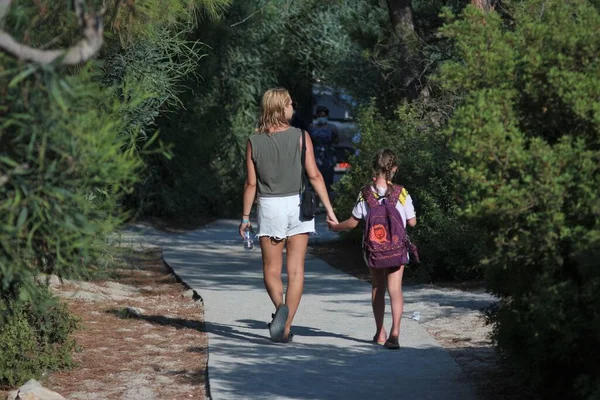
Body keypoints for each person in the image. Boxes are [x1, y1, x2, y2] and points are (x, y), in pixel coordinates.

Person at [239, 88, 338, 343]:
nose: (293, 108)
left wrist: (245, 217)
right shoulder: (301, 137)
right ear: (281, 107)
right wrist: (329, 209)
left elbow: (251, 184)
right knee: (296, 272)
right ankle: (285, 327)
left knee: (271, 271)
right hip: (298, 207)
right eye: (290, 104)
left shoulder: (254, 141)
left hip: (270, 207)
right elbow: (315, 175)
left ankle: (279, 305)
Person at [327, 149, 417, 350]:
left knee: (378, 288)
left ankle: (380, 332)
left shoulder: (365, 193)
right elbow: (411, 222)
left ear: (374, 168)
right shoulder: (401, 193)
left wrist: (335, 226)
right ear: (394, 169)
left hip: (374, 250)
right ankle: (395, 333)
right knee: (395, 289)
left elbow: (352, 223)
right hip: (397, 249)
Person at [309, 106, 339, 199]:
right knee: (314, 178)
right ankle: (315, 202)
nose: (322, 117)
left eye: (324, 115)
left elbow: (336, 141)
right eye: (320, 115)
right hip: (315, 155)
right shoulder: (311, 127)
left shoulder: (332, 128)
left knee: (328, 180)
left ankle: (326, 201)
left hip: (328, 157)